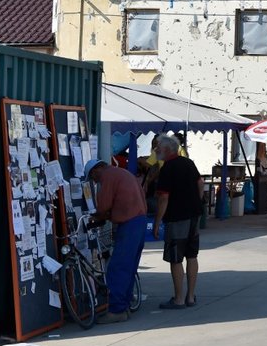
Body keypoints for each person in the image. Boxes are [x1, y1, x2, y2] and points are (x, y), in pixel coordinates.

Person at [85, 157, 147, 323]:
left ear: (96, 170)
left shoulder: (108, 177)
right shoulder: (122, 172)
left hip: (129, 223)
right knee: (129, 267)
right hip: (139, 221)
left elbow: (104, 205)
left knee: (117, 268)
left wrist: (97, 216)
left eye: (93, 177)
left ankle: (117, 310)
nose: (95, 181)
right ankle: (124, 306)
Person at [153, 133, 204, 309]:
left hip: (177, 217)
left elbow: (163, 198)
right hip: (194, 215)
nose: (155, 150)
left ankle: (179, 298)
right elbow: (200, 183)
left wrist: (158, 221)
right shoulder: (188, 163)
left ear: (166, 150)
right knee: (191, 255)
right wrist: (197, 202)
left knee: (176, 258)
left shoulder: (167, 168)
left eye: (157, 147)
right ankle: (190, 296)